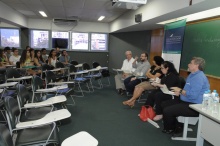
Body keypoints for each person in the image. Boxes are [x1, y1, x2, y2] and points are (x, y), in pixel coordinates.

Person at [161, 57, 210, 135]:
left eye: (191, 63)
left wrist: (180, 90)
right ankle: (178, 125)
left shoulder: (199, 77)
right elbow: (188, 91)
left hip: (194, 105)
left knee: (168, 110)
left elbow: (193, 95)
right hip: (186, 100)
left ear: (196, 65)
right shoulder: (192, 74)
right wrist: (180, 93)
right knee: (164, 104)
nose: (188, 64)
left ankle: (171, 128)